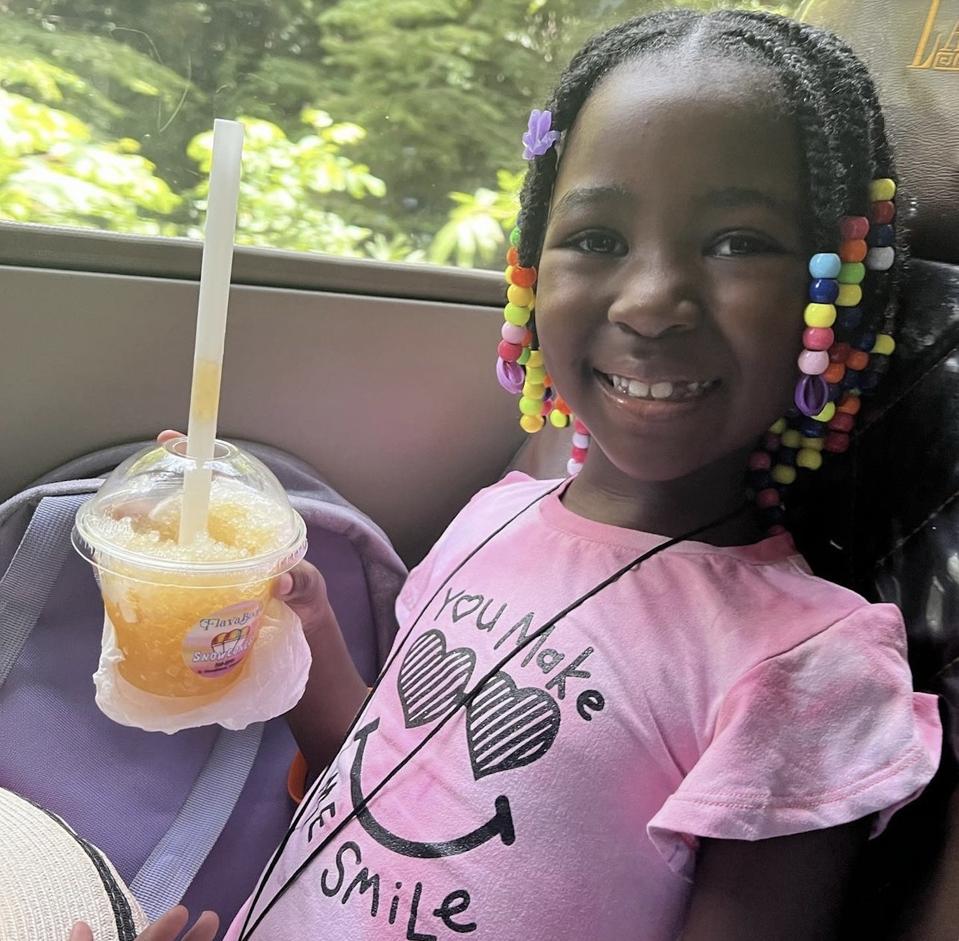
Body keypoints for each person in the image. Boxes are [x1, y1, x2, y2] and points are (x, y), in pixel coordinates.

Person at [196, 9, 943, 940]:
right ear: (530, 269)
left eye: (736, 242)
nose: (651, 301)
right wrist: (302, 635)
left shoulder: (802, 666)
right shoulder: (492, 519)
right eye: (595, 238)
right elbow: (397, 778)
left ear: (834, 291)